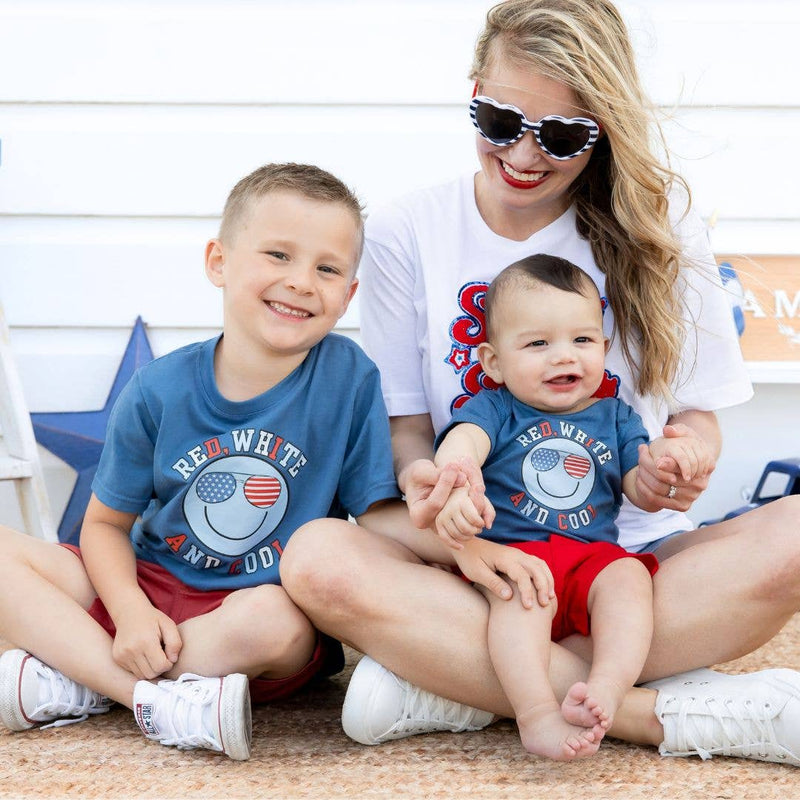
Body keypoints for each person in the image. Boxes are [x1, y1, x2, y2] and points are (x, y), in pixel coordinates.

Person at [280, 0, 800, 767]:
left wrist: (682, 461)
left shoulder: (660, 231)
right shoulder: (406, 231)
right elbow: (408, 433)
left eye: (561, 136)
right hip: (482, 565)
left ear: (605, 128)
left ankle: (457, 684)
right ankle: (662, 715)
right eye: (499, 122)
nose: (524, 154)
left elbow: (696, 419)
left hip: (628, 563)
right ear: (473, 93)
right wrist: (438, 492)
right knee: (317, 557)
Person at [0, 162, 404, 760]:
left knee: (274, 621)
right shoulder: (157, 389)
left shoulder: (349, 378)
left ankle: (80, 676)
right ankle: (149, 698)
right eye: (278, 255)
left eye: (327, 268)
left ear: (348, 295)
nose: (300, 282)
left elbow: (375, 515)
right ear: (219, 262)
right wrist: (130, 613)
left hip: (253, 617)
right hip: (149, 584)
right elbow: (104, 526)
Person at [431, 254, 716, 759]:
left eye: (582, 340)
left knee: (630, 579)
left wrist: (665, 466)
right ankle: (536, 712)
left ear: (603, 348)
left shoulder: (616, 416)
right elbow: (465, 441)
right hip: (517, 554)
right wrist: (458, 473)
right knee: (518, 598)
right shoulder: (495, 407)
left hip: (592, 558)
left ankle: (607, 685)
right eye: (538, 344)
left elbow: (640, 486)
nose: (564, 357)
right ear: (493, 362)